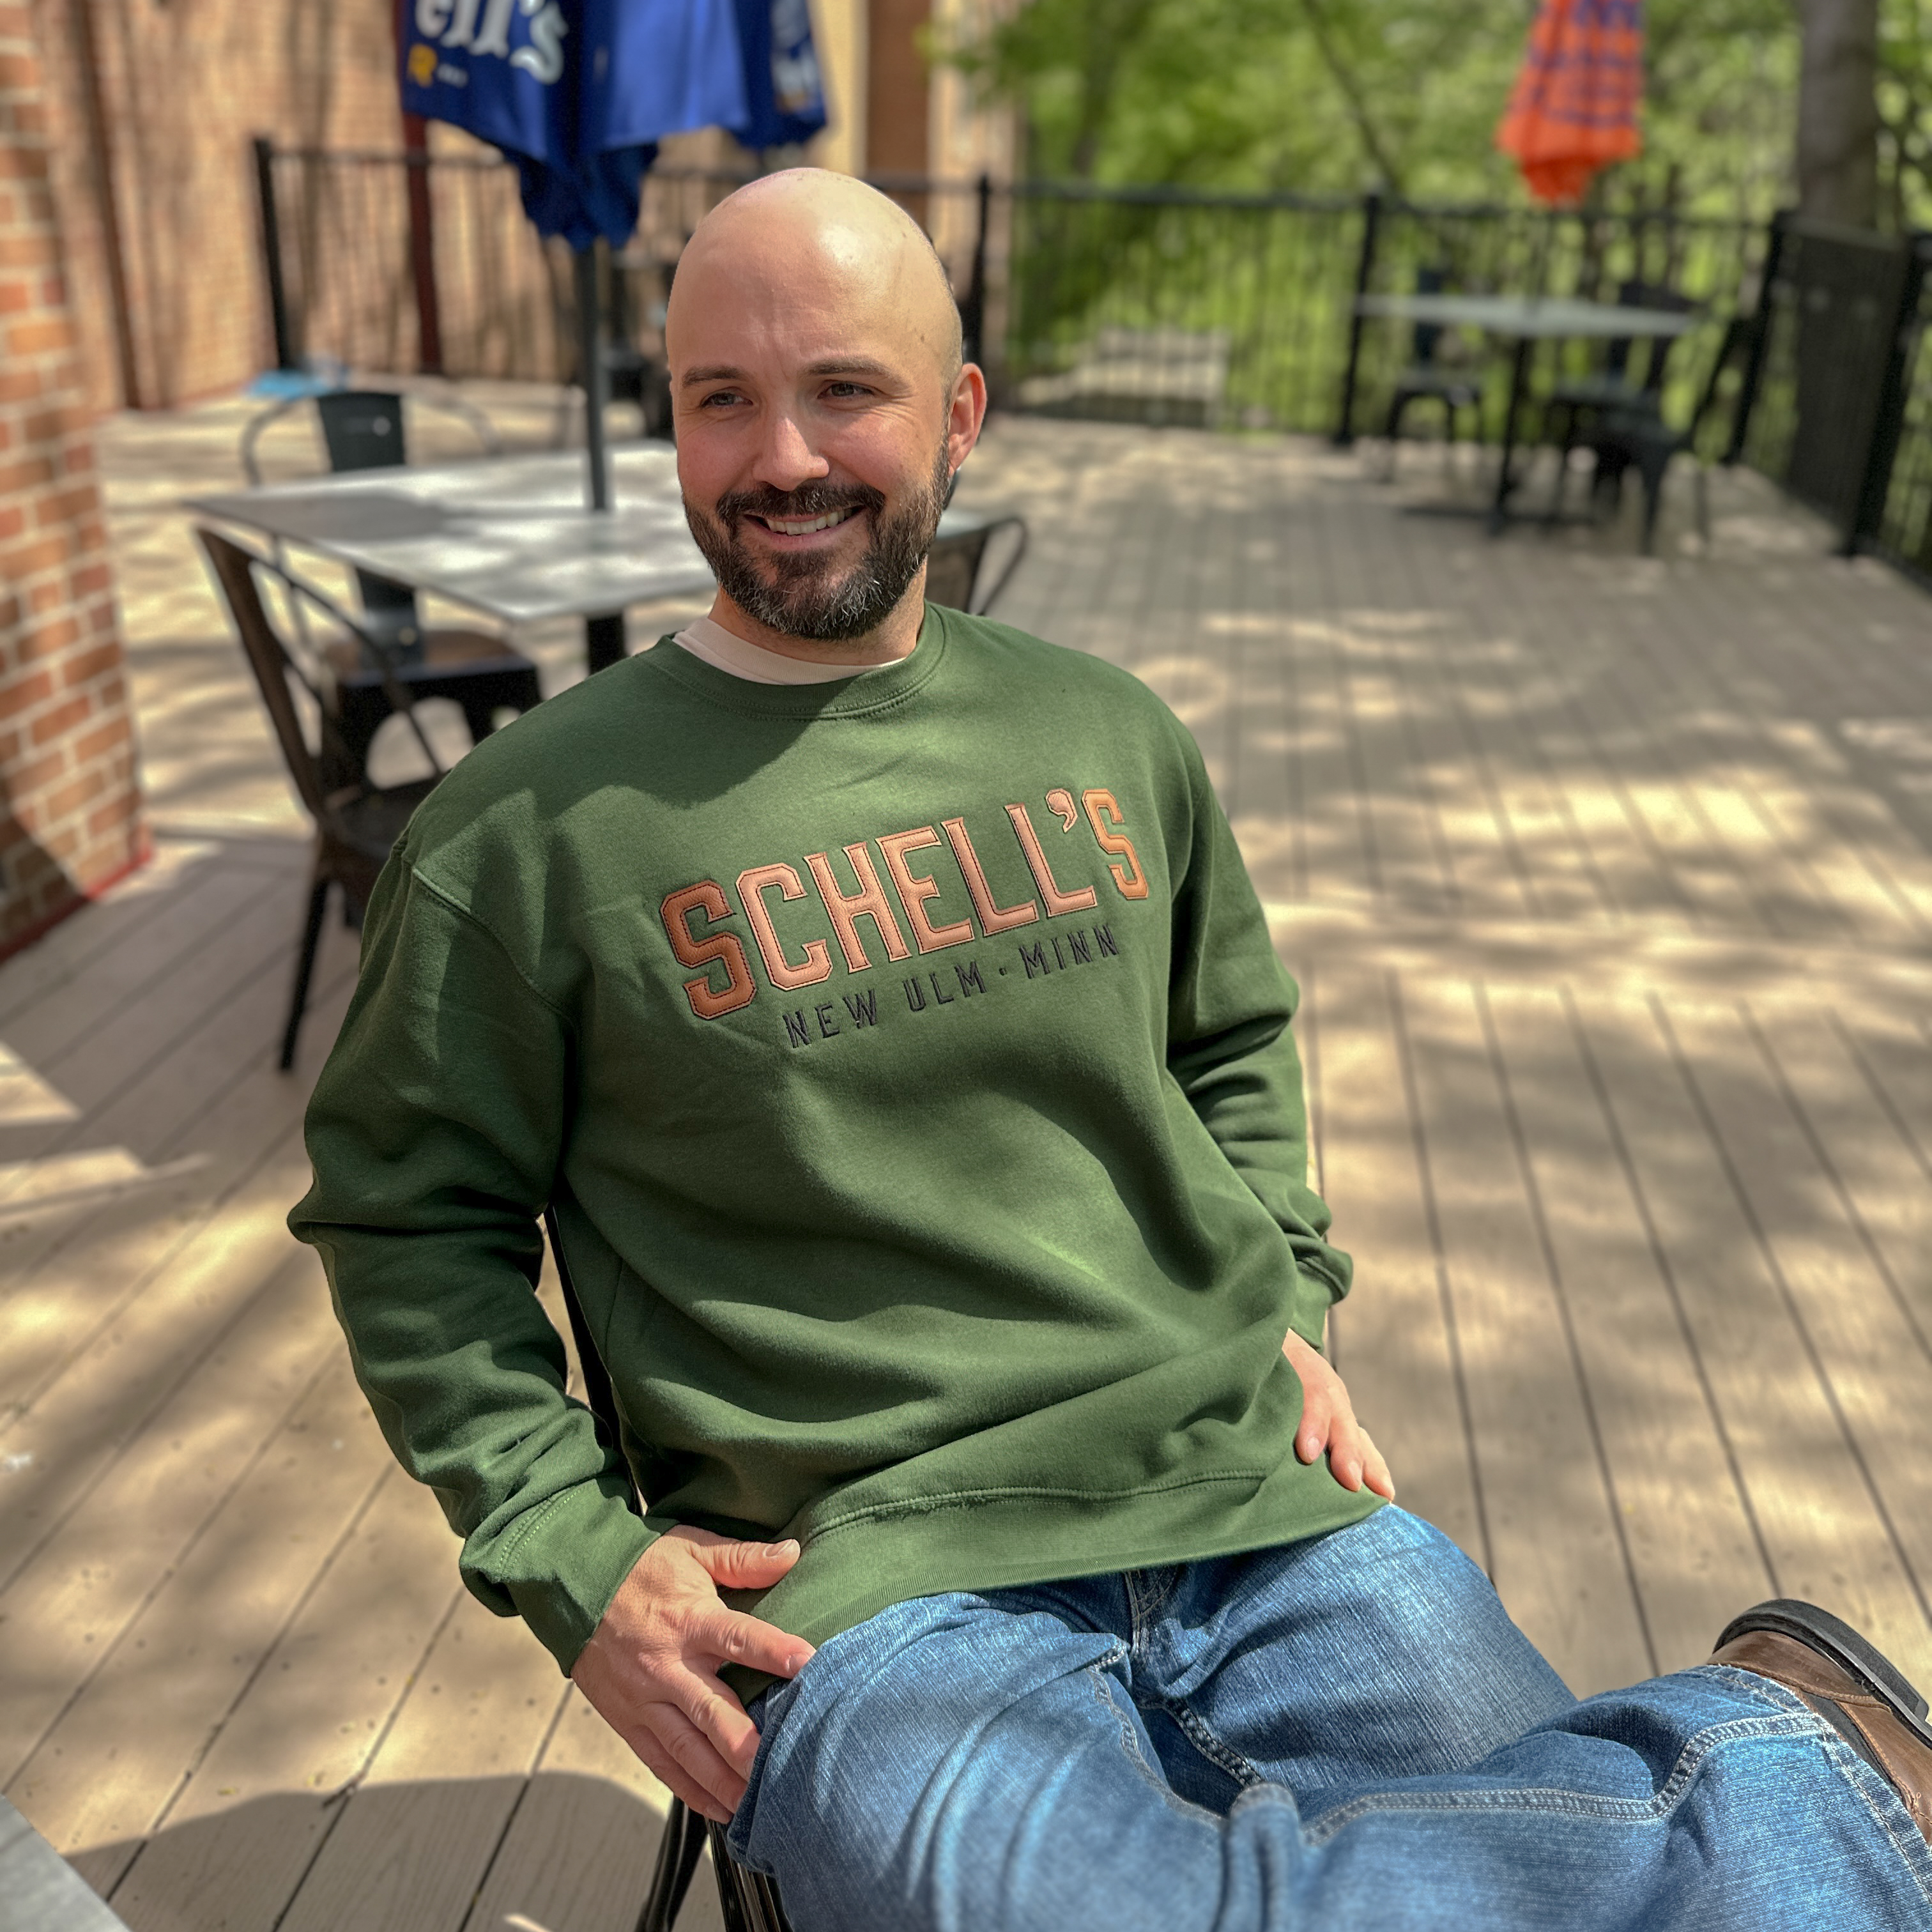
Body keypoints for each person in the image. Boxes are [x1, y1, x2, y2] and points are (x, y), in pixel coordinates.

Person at [291, 170, 1932, 1931]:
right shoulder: (521, 833)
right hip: (868, 1591)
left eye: (844, 389)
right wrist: (575, 1559)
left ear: (960, 415)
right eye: (721, 400)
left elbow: (1229, 1039)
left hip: (1249, 1497)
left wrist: (1290, 1292)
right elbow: (406, 1220)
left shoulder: (1105, 733)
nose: (782, 459)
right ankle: (1805, 1777)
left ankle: (1791, 1804)